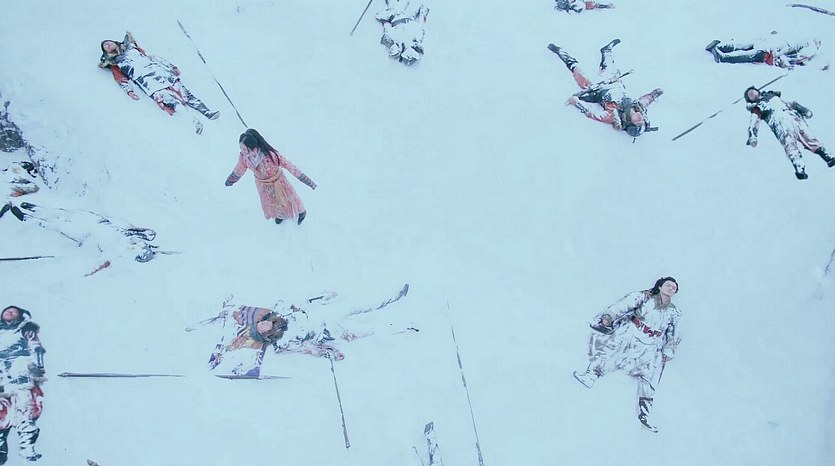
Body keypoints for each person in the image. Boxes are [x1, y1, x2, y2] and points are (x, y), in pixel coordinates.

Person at [572, 277, 681, 433]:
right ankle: (590, 376)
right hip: (631, 333)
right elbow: (623, 305)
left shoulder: (674, 312)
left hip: (652, 343)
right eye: (668, 285)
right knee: (611, 352)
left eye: (673, 287)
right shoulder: (644, 297)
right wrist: (608, 317)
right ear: (660, 286)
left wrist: (669, 350)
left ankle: (645, 415)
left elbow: (673, 332)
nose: (671, 288)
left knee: (650, 376)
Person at [98, 32, 220, 127]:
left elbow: (153, 58)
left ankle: (207, 112)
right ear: (106, 52)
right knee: (171, 102)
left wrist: (171, 66)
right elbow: (121, 79)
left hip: (162, 74)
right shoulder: (115, 63)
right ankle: (193, 122)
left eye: (108, 42)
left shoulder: (132, 48)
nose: (107, 44)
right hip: (148, 82)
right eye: (105, 46)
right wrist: (129, 91)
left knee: (186, 95)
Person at [547, 40, 663, 138]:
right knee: (610, 66)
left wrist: (576, 102)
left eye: (637, 121)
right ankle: (606, 51)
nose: (640, 117)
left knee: (578, 71)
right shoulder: (639, 107)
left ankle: (560, 52)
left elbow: (592, 114)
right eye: (641, 120)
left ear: (629, 122)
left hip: (597, 89)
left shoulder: (614, 116)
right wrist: (653, 95)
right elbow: (646, 100)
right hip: (615, 82)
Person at [0, 201, 161, 263]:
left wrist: (87, 243)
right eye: (140, 245)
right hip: (92, 221)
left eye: (137, 249)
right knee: (60, 214)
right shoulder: (128, 233)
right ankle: (34, 208)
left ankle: (25, 217)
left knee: (54, 224)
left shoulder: (117, 251)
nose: (136, 246)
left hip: (83, 232)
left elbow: (99, 251)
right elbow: (122, 224)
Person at [225, 129, 317, 225]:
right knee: (271, 201)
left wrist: (307, 181)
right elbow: (239, 169)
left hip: (279, 181)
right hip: (262, 184)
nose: (242, 151)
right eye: (241, 148)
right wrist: (231, 180)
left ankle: (301, 212)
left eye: (244, 149)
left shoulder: (271, 155)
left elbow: (289, 166)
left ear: (254, 148)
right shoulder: (244, 157)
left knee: (289, 197)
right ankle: (280, 215)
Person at [744, 86, 833, 180]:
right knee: (790, 144)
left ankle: (828, 156)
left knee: (809, 137)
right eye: (750, 95)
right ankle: (800, 168)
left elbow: (790, 102)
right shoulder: (757, 108)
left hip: (792, 117)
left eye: (752, 91)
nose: (752, 93)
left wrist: (803, 110)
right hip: (779, 123)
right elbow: (753, 122)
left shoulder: (772, 94)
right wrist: (752, 136)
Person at [0, 306, 46, 462]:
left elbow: (36, 348)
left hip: (20, 375)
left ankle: (27, 448)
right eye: (7, 310)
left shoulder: (26, 330)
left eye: (14, 311)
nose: (10, 312)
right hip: (1, 378)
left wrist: (38, 367)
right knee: (1, 415)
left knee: (25, 413)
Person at [705, 36, 827, 70]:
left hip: (769, 41)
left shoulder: (800, 37)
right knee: (751, 55)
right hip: (774, 50)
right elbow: (800, 57)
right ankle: (723, 57)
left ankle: (720, 46)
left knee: (745, 45)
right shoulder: (811, 46)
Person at [375, 0, 429, 66]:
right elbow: (420, 25)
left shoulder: (394, 41)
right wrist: (422, 14)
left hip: (395, 16)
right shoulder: (416, 41)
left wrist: (384, 20)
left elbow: (387, 27)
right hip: (409, 16)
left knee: (393, 4)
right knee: (415, 3)